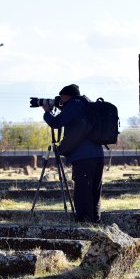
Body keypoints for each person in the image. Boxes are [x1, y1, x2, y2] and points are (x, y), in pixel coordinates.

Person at [42, 84, 104, 223]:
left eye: (62, 97)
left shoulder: (74, 105)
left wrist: (47, 111)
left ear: (67, 96)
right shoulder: (86, 103)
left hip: (84, 157)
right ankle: (94, 221)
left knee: (83, 190)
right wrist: (60, 106)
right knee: (94, 189)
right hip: (98, 154)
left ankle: (84, 220)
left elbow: (56, 122)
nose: (61, 100)